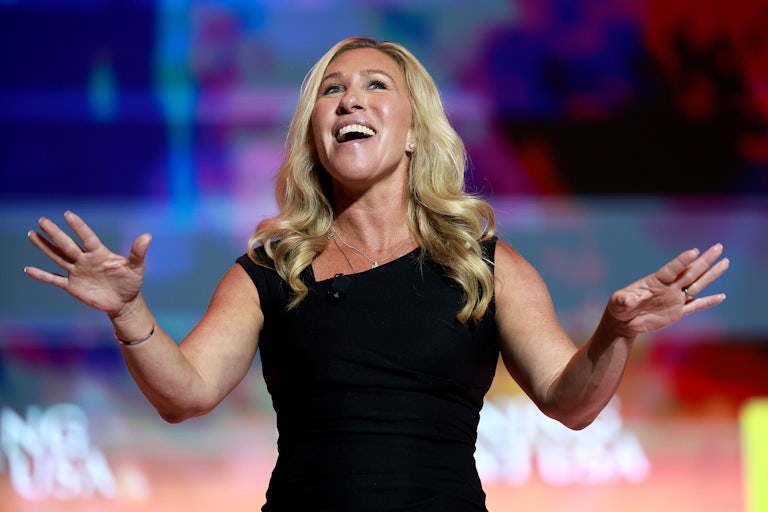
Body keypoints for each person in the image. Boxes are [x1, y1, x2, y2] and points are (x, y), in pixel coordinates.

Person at [24, 37, 729, 511]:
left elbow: (571, 403)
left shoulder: (487, 267)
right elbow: (185, 396)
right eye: (331, 90)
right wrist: (128, 312)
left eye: (373, 86)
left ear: (415, 128)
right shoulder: (271, 271)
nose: (350, 100)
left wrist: (614, 331)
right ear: (314, 131)